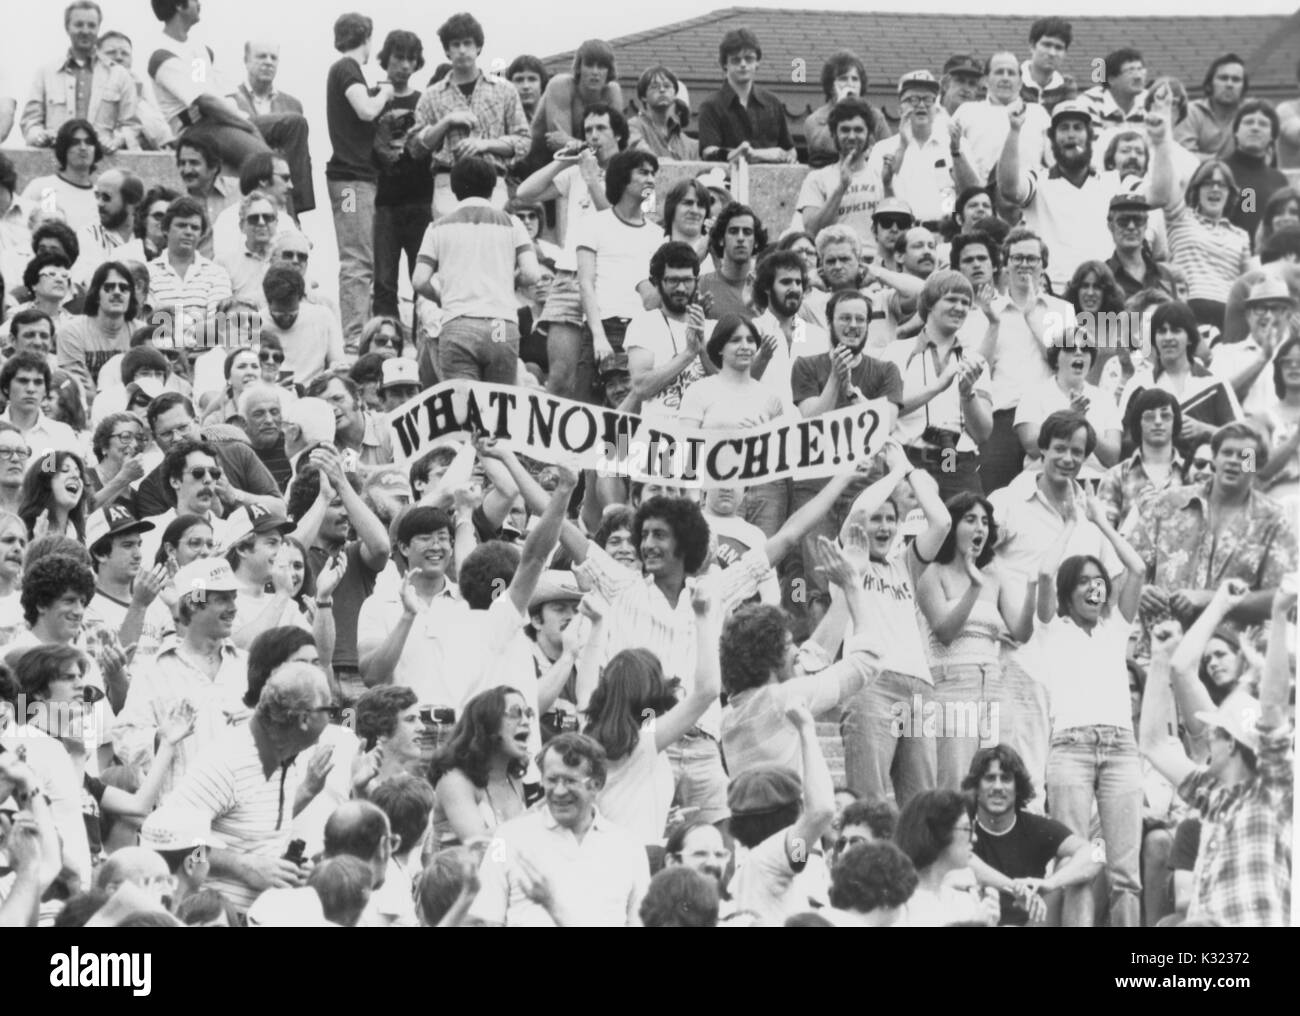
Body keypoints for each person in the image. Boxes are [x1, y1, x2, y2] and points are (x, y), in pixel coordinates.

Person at [1139, 582, 1293, 927]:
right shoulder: (1213, 796)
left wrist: (1280, 617)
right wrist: (1161, 657)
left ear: (1235, 743)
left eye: (1217, 732)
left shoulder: (1274, 793)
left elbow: (1272, 703)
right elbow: (1153, 745)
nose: (1209, 736)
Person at [1029, 486, 1146, 927]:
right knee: (1077, 865)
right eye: (1085, 582)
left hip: (1120, 749)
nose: (1096, 588)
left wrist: (1100, 521)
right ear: (1068, 592)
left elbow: (1135, 567)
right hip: (1070, 749)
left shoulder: (1115, 627)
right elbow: (1043, 572)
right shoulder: (1052, 629)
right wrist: (1074, 523)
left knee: (1124, 872)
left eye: (1100, 582)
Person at [150, 661, 332, 915]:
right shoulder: (230, 760)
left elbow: (251, 828)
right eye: (329, 709)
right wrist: (240, 865)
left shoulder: (286, 756)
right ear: (304, 719)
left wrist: (290, 869)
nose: (332, 717)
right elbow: (164, 837)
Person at [1125, 421, 1296, 647]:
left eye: (1245, 456)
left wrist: (1211, 599)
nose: (1235, 460)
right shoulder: (1170, 502)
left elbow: (1283, 596)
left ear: (1256, 465)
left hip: (1226, 660)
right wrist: (1141, 590)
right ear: (1215, 459)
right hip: (1158, 647)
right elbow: (1124, 565)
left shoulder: (1273, 519)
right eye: (1227, 453)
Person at [916, 492, 1035, 790]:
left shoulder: (995, 573)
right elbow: (944, 632)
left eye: (984, 521)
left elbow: (1021, 631)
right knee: (956, 784)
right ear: (953, 526)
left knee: (995, 779)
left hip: (993, 682)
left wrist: (1034, 589)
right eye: (970, 519)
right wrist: (973, 587)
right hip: (952, 684)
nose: (980, 527)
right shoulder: (933, 573)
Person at [467, 732, 650, 927]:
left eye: (570, 781)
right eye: (552, 780)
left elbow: (641, 922)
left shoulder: (629, 847)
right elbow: (485, 918)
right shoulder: (506, 838)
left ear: (596, 785)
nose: (559, 791)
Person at [585, 584, 719, 845]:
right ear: (652, 690)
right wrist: (702, 616)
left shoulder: (587, 734)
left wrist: (598, 626)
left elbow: (585, 690)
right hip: (638, 860)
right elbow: (708, 690)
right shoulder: (645, 740)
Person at [516, 103, 625, 400]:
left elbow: (623, 227)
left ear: (618, 134)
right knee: (560, 379)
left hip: (610, 279)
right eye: (588, 129)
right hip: (567, 276)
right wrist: (564, 160)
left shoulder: (636, 172)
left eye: (601, 128)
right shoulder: (577, 171)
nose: (593, 135)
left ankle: (614, 446)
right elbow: (524, 192)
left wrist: (592, 179)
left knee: (612, 377)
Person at [413, 157, 540, 387]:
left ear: (453, 188)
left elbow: (420, 281)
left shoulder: (436, 227)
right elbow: (532, 275)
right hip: (500, 328)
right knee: (499, 411)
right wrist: (508, 283)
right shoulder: (513, 223)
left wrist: (442, 298)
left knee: (464, 412)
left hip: (458, 326)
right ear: (493, 187)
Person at [878, 271, 992, 500]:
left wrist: (967, 394)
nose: (959, 308)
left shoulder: (974, 360)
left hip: (954, 460)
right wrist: (936, 387)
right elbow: (884, 415)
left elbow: (982, 433)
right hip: (909, 460)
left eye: (965, 303)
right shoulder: (897, 352)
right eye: (951, 299)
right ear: (929, 303)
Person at [1148, 88, 1251, 330]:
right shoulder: (1180, 218)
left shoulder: (1240, 236)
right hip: (1187, 313)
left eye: (1221, 185)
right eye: (1208, 183)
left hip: (1228, 317)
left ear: (1230, 194)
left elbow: (1253, 284)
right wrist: (1163, 138)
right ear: (1196, 189)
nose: (1214, 189)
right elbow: (1164, 189)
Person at [962, 744, 1099, 926]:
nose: (997, 786)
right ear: (976, 787)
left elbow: (1096, 854)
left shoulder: (1035, 826)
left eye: (1005, 779)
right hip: (983, 922)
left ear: (1017, 787)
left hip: (1033, 922)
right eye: (989, 778)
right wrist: (1014, 888)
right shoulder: (964, 824)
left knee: (1073, 871)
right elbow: (965, 860)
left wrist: (1051, 883)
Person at [410, 13, 528, 218]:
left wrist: (486, 144)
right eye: (455, 44)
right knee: (451, 247)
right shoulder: (431, 95)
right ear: (447, 50)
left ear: (479, 47)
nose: (462, 50)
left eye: (467, 43)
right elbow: (415, 148)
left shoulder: (504, 90)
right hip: (448, 182)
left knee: (493, 246)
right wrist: (446, 122)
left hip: (493, 180)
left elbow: (524, 141)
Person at [325, 12, 393, 350]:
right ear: (366, 38)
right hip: (350, 181)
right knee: (356, 257)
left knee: (361, 256)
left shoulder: (345, 71)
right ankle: (354, 337)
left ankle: (357, 331)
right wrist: (384, 93)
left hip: (357, 179)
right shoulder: (346, 68)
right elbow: (366, 110)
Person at [575, 149, 662, 388]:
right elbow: (585, 283)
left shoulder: (657, 235)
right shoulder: (594, 224)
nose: (651, 179)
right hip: (604, 327)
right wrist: (598, 336)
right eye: (643, 172)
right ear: (623, 177)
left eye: (653, 173)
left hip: (643, 333)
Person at [1118, 301, 1243, 453]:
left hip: (1204, 474)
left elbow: (1248, 447)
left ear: (1190, 338)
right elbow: (1120, 449)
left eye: (1176, 330)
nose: (1168, 337)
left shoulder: (1214, 384)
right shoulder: (1139, 385)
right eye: (1162, 331)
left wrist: (1207, 430)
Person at [371, 30, 432, 322]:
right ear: (386, 59)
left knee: (422, 277)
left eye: (411, 59)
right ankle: (383, 349)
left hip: (421, 199)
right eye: (399, 57)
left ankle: (424, 346)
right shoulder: (370, 99)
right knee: (383, 279)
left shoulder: (425, 100)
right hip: (383, 202)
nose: (405, 65)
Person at [428, 685, 537, 848]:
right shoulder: (455, 782)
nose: (526, 722)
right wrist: (535, 816)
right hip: (457, 872)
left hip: (502, 872)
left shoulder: (513, 778)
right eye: (515, 713)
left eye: (528, 714)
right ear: (488, 724)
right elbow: (480, 848)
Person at [1015, 327, 1123, 483]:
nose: (1079, 352)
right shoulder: (1033, 395)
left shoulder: (1105, 399)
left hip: (1095, 481)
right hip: (1045, 480)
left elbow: (1112, 457)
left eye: (1085, 349)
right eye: (1070, 348)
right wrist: (1070, 418)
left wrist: (1082, 421)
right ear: (1056, 358)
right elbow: (1032, 448)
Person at [866, 71, 972, 230]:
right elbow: (873, 200)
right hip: (902, 235)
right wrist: (902, 147)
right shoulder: (883, 149)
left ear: (936, 108)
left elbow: (972, 194)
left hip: (944, 235)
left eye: (928, 99)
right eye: (912, 100)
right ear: (899, 109)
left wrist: (956, 152)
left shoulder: (956, 144)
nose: (921, 105)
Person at [226, 41, 314, 218]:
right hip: (247, 189)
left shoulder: (292, 104)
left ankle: (293, 213)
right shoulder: (231, 101)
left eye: (273, 57)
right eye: (261, 56)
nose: (268, 62)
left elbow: (299, 155)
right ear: (246, 60)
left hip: (282, 194)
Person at [894, 789, 999, 926]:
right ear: (939, 833)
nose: (974, 837)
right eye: (967, 829)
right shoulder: (899, 908)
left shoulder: (964, 901)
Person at [698, 28, 795, 164]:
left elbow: (790, 151)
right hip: (727, 182)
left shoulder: (773, 103)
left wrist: (757, 154)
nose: (743, 64)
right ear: (725, 64)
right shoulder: (710, 106)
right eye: (736, 60)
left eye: (749, 58)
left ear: (757, 62)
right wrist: (741, 154)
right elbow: (708, 152)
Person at [146, 197, 233, 348]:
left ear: (201, 234)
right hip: (160, 359)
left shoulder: (217, 274)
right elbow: (148, 327)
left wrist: (171, 328)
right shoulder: (148, 272)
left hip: (205, 359)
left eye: (194, 228)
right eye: (181, 225)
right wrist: (198, 329)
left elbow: (220, 328)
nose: (188, 232)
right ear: (166, 229)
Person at [1098, 388, 1186, 529]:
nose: (1158, 422)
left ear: (1175, 422)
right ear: (1138, 423)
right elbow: (1104, 538)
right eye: (1150, 416)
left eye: (1165, 416)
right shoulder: (1116, 476)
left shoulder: (1190, 473)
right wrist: (1136, 515)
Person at [528, 38, 624, 167]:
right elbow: (562, 149)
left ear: (609, 70)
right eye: (589, 65)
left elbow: (614, 147)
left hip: (585, 165)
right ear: (579, 67)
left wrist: (572, 143)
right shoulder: (561, 85)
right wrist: (575, 145)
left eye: (601, 66)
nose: (595, 72)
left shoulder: (613, 91)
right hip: (536, 165)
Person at [58, 261, 138, 406]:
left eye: (124, 288)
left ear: (130, 296)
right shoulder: (72, 332)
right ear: (96, 294)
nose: (117, 292)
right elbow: (78, 392)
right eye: (109, 287)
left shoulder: (141, 333)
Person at [797, 98, 879, 238]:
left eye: (858, 130)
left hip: (873, 257)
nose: (852, 136)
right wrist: (841, 187)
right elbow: (810, 230)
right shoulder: (817, 179)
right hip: (834, 257)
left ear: (869, 135)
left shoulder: (881, 176)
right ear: (834, 134)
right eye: (845, 130)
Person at [803, 51, 892, 169]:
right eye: (843, 79)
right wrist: (840, 107)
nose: (850, 84)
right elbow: (823, 147)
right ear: (831, 85)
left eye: (855, 79)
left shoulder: (875, 116)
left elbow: (889, 151)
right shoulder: (815, 119)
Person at [260, 265, 344, 385]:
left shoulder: (323, 316)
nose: (286, 318)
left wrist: (336, 368)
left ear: (299, 300)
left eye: (291, 313)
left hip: (312, 392)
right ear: (268, 302)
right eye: (279, 313)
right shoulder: (253, 322)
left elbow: (337, 360)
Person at [19, 119, 103, 232]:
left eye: (88, 142)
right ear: (64, 148)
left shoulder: (101, 197)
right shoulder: (44, 187)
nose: (83, 147)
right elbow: (17, 227)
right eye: (75, 142)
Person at [0, 352, 81, 462]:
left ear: (45, 391)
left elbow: (70, 476)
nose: (31, 389)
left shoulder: (62, 434)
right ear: (6, 387)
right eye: (23, 381)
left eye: (38, 382)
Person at [1250, 334, 1300, 506]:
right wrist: (1294, 439)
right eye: (1287, 361)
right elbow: (1249, 469)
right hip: (1275, 504)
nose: (1294, 366)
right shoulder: (1261, 418)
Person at [73, 169, 144, 289]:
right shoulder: (89, 235)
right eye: (97, 196)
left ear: (132, 203)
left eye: (106, 197)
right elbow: (93, 283)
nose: (99, 203)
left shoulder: (145, 236)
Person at [697, 203, 765, 321]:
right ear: (721, 239)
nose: (740, 238)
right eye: (733, 231)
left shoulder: (767, 288)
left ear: (756, 241)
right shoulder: (701, 286)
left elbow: (796, 333)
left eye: (747, 232)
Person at [1175, 54, 1248, 160]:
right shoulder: (1191, 112)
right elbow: (1184, 158)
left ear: (1243, 86)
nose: (1229, 84)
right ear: (1210, 83)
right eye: (1223, 78)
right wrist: (1223, 160)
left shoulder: (1250, 114)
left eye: (1236, 80)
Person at [628, 65, 697, 161]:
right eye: (654, 87)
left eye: (667, 86)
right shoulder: (633, 126)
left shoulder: (685, 142)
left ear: (675, 94)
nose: (662, 90)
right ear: (643, 96)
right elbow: (641, 154)